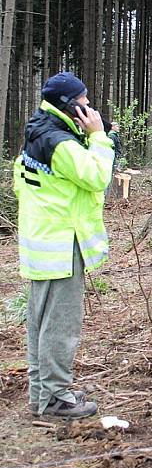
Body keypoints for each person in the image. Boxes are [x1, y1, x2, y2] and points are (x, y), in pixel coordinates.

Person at [13, 72, 114, 419]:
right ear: (68, 105)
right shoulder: (60, 144)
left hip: (41, 239)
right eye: (83, 101)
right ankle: (55, 397)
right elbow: (98, 176)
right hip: (60, 244)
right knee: (60, 324)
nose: (89, 107)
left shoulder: (38, 132)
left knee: (40, 320)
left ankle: (41, 394)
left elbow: (20, 184)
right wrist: (99, 137)